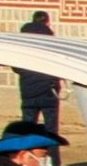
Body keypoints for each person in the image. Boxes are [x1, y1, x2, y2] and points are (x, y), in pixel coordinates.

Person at [16, 11, 61, 143]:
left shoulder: (23, 41)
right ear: (46, 22)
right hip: (49, 90)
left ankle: (26, 159)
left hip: (28, 90)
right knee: (51, 130)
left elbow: (16, 65)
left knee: (28, 128)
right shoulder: (51, 41)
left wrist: (26, 74)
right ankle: (53, 162)